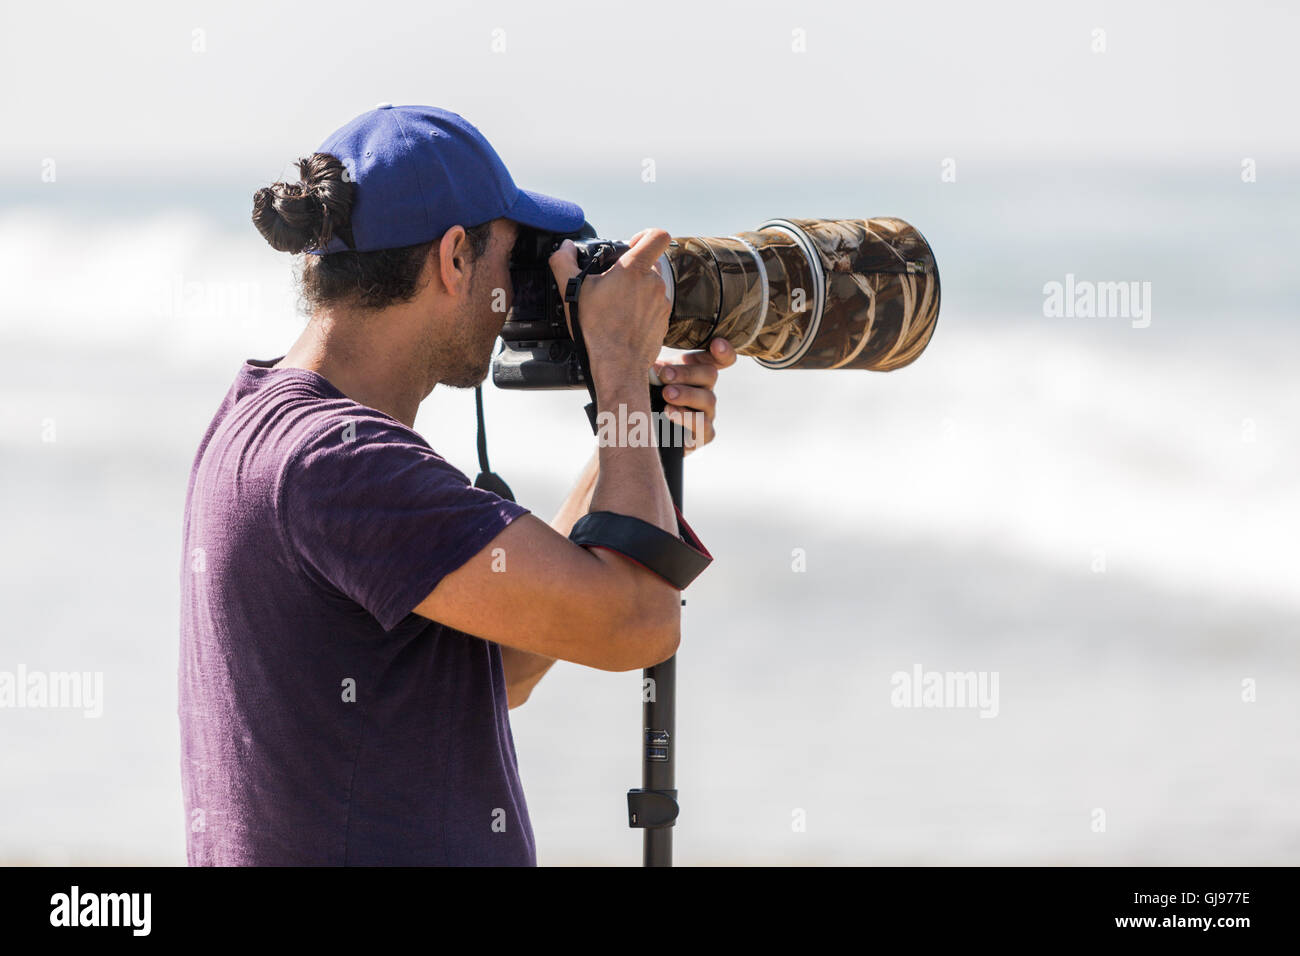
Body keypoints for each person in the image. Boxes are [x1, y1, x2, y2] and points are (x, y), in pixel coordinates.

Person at [178, 104, 734, 865]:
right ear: (454, 259)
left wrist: (634, 434)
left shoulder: (269, 424)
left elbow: (499, 668)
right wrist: (612, 369)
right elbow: (636, 622)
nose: (524, 290)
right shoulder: (341, 463)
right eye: (515, 256)